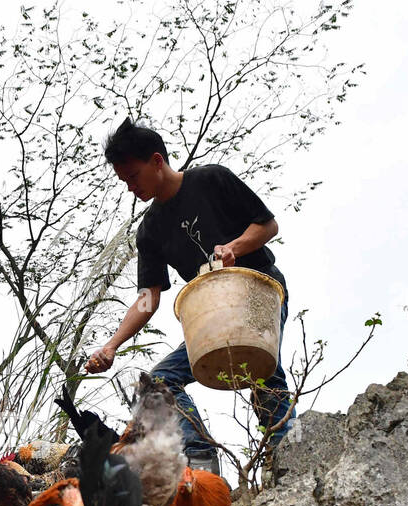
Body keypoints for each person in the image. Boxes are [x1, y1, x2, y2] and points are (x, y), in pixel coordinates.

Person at [87, 118, 295, 475]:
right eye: (124, 181)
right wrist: (111, 345)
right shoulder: (150, 230)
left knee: (265, 378)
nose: (130, 187)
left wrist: (234, 247)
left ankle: (288, 463)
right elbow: (147, 298)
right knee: (159, 383)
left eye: (133, 177)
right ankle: (200, 461)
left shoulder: (211, 180)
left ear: (156, 160)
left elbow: (267, 225)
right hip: (212, 315)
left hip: (259, 295)